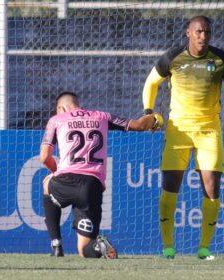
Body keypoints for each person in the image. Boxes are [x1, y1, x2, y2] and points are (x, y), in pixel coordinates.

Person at [141, 15, 224, 260]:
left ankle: (204, 249)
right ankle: (168, 248)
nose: (203, 36)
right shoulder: (173, 57)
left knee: (212, 188)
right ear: (188, 33)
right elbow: (151, 83)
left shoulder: (221, 59)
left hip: (209, 131)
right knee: (170, 187)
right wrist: (148, 113)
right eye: (199, 32)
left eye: (207, 32)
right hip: (178, 129)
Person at [40, 91, 163, 258]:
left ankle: (56, 245)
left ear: (61, 108)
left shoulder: (56, 120)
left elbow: (44, 157)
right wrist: (155, 118)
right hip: (92, 187)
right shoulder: (102, 117)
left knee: (47, 184)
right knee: (85, 250)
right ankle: (99, 246)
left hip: (66, 181)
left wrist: (56, 172)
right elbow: (139, 125)